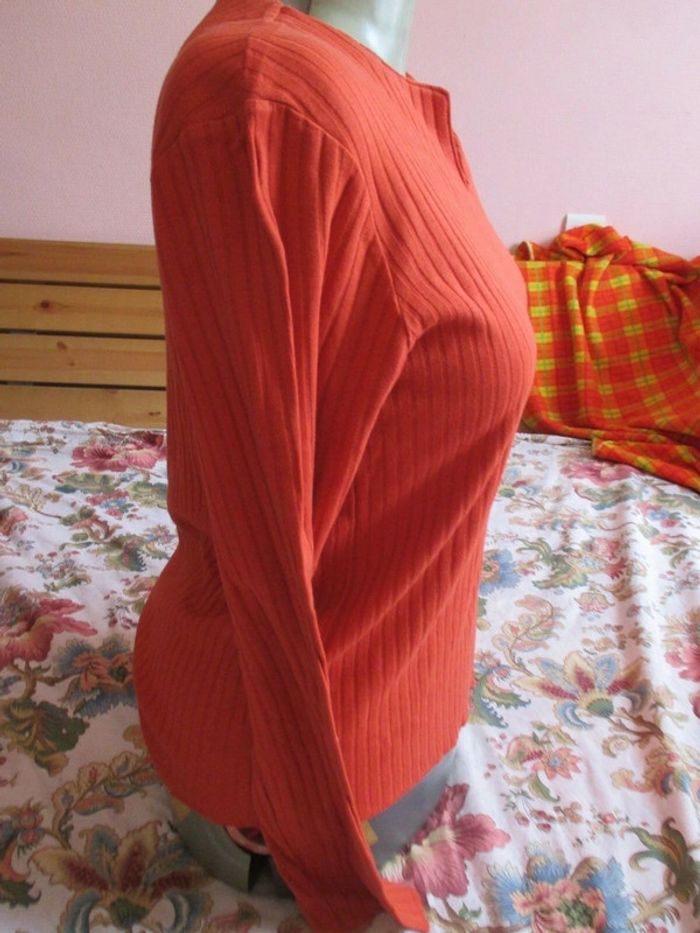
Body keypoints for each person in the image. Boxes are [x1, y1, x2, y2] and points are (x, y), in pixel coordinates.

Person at [133, 1, 537, 930]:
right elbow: (258, 518)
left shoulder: (378, 83)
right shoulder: (259, 100)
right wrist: (323, 852)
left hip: (399, 708)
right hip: (290, 759)